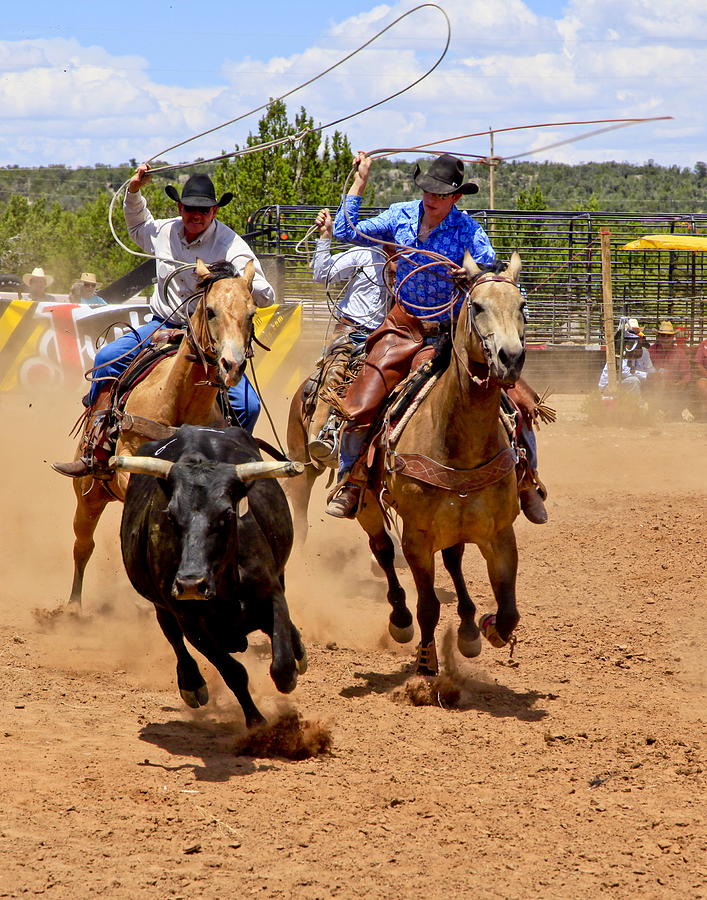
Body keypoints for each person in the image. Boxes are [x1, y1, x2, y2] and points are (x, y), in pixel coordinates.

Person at [327, 151, 547, 523]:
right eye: (428, 190)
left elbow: (495, 277)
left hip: (452, 334)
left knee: (520, 402)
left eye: (441, 194)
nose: (431, 198)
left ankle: (526, 481)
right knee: (361, 403)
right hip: (401, 328)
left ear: (456, 197)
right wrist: (360, 180)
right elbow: (345, 232)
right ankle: (352, 478)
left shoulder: (469, 231)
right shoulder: (400, 214)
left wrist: (474, 278)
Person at [52, 164, 274, 478]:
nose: (196, 215)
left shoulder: (232, 245)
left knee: (247, 405)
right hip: (160, 322)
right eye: (189, 209)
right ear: (180, 208)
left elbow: (266, 294)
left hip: (209, 336)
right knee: (106, 359)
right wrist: (134, 191)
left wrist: (236, 283)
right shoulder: (165, 231)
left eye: (204, 210)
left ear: (214, 211)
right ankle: (97, 448)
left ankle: (232, 469)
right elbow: (137, 226)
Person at [307, 207, 391, 462]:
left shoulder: (415, 263)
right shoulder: (364, 253)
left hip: (387, 338)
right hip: (350, 332)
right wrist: (325, 237)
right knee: (334, 373)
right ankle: (321, 435)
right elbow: (322, 274)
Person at [598, 321, 655, 397]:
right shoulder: (620, 350)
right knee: (634, 381)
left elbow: (649, 369)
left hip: (626, 383)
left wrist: (654, 375)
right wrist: (647, 375)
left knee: (652, 381)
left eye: (636, 333)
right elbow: (625, 372)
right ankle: (635, 406)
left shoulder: (642, 351)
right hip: (609, 386)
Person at [648, 320, 691, 417]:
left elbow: (687, 374)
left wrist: (681, 383)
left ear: (673, 338)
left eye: (668, 336)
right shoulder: (651, 351)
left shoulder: (680, 353)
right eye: (663, 335)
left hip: (675, 387)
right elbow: (645, 370)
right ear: (658, 337)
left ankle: (667, 412)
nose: (665, 338)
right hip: (655, 386)